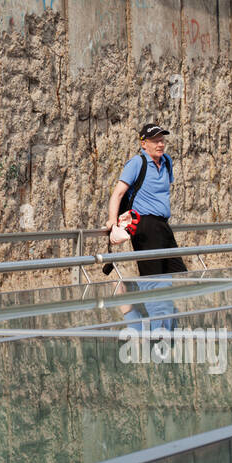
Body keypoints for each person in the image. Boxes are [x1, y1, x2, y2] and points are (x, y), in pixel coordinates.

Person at [104, 123, 181, 330]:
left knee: (176, 273)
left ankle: (135, 302)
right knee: (154, 279)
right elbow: (118, 193)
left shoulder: (166, 162)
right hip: (145, 226)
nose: (161, 144)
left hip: (163, 226)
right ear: (143, 143)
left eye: (162, 140)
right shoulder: (137, 163)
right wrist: (112, 221)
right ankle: (157, 326)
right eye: (155, 140)